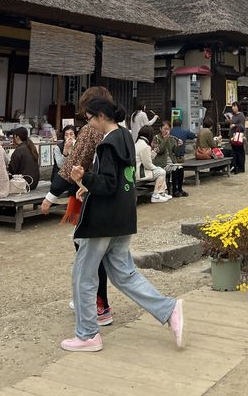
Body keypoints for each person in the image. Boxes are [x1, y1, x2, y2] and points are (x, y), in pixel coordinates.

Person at [61, 97, 184, 352]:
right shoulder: (127, 136)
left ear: (101, 117)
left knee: (83, 276)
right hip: (123, 216)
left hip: (102, 220)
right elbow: (119, 181)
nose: (89, 122)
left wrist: (82, 177)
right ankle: (168, 308)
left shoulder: (107, 144)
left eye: (90, 118)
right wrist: (88, 187)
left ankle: (87, 335)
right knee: (124, 274)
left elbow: (106, 183)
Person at [41, 86, 117, 328]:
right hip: (109, 197)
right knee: (99, 255)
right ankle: (93, 301)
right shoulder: (118, 131)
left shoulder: (90, 131)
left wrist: (51, 196)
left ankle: (98, 304)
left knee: (88, 255)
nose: (86, 118)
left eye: (87, 113)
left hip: (88, 197)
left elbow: (73, 164)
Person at [135, 126, 170, 203]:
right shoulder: (145, 146)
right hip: (140, 174)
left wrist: (154, 151)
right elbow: (148, 164)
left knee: (160, 170)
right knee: (161, 172)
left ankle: (161, 193)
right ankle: (156, 195)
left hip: (136, 172)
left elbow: (147, 158)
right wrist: (156, 168)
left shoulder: (138, 143)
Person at [154, 121, 187, 197]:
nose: (166, 131)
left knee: (180, 168)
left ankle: (180, 189)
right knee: (175, 169)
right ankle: (174, 190)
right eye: (164, 129)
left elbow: (176, 152)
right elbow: (160, 151)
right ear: (160, 129)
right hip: (162, 163)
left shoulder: (172, 138)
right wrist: (165, 140)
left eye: (168, 129)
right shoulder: (156, 138)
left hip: (172, 162)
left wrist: (179, 145)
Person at [8, 126, 40, 190]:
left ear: (17, 137)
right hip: (34, 182)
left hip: (24, 183)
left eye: (13, 137)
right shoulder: (30, 147)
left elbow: (12, 170)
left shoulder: (19, 150)